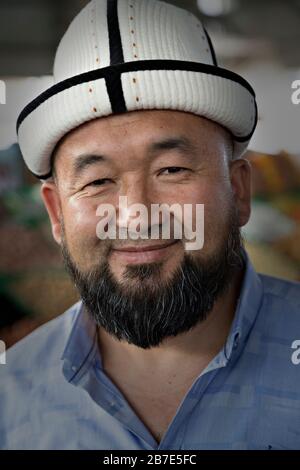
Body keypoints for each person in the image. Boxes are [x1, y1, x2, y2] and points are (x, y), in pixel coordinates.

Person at [1, 0, 300, 450]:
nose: (135, 213)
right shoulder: (10, 398)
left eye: (173, 170)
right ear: (57, 214)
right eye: (98, 180)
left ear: (238, 192)